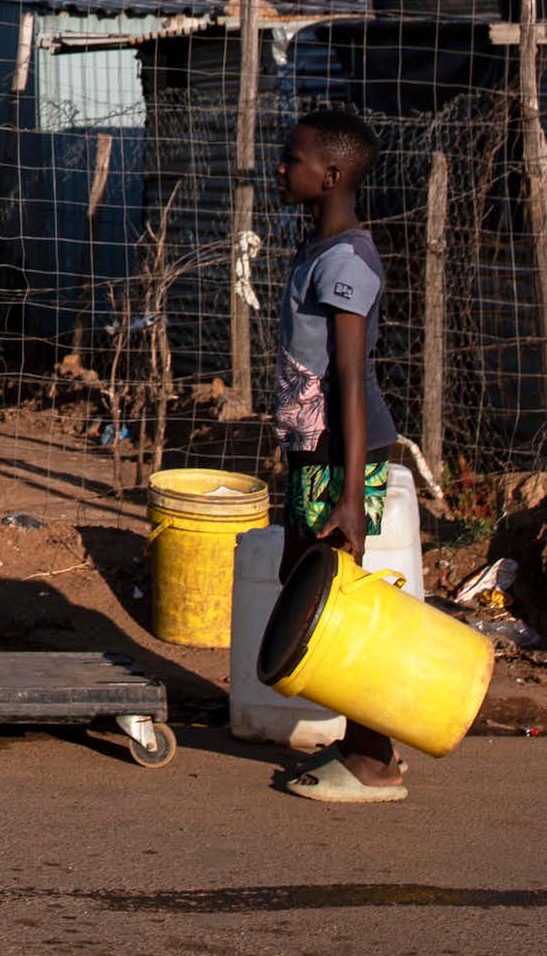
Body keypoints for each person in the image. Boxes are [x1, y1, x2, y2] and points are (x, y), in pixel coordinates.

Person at [274, 105, 405, 803]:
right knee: (308, 589)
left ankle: (376, 756)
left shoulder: (349, 259)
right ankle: (360, 742)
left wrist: (351, 497)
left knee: (338, 603)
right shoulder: (317, 249)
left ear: (329, 174)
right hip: (314, 453)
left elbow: (352, 381)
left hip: (341, 454)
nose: (280, 167)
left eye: (292, 158)